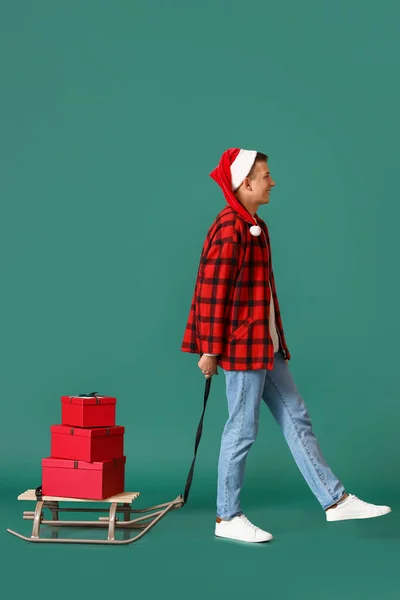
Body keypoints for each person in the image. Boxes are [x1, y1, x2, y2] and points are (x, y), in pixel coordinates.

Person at [181, 148, 391, 543]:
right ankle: (227, 517)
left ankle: (335, 501)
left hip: (266, 346)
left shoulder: (255, 226)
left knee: (296, 416)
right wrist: (209, 350)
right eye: (265, 176)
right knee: (241, 429)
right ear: (245, 183)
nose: (271, 182)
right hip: (243, 349)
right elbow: (212, 292)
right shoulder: (230, 228)